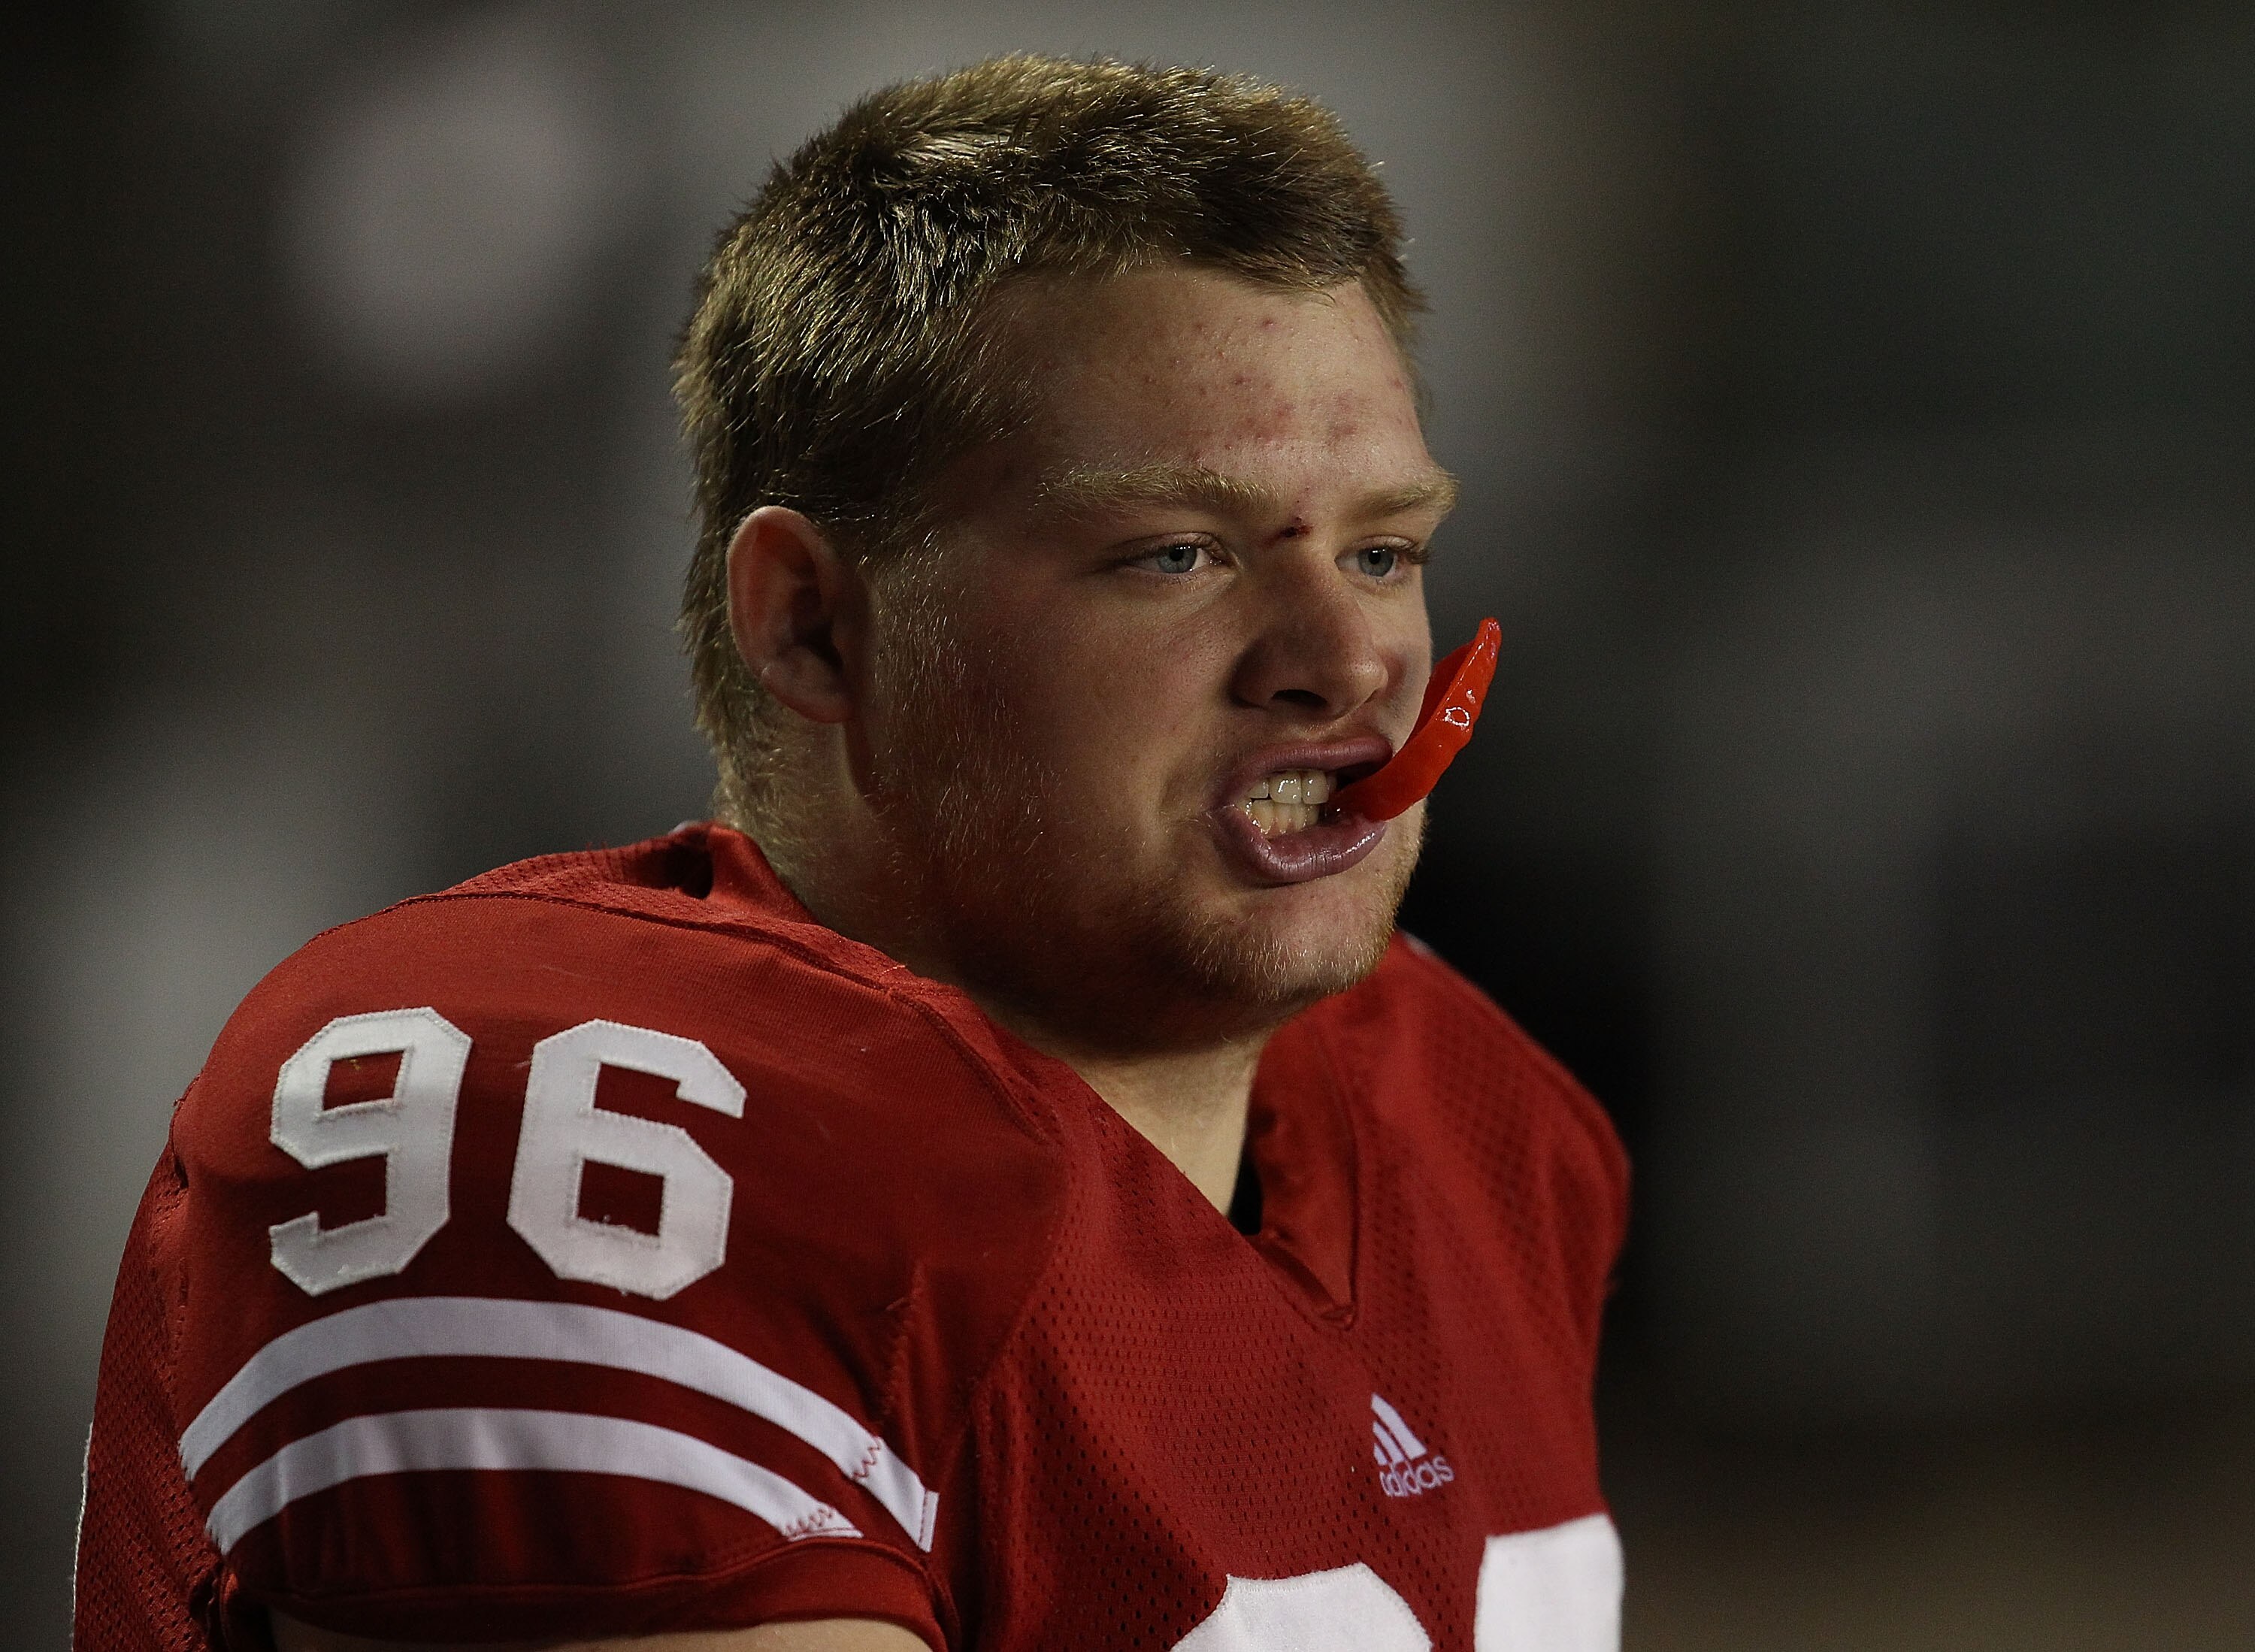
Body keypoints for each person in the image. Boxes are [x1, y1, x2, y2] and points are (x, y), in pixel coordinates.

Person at [75, 54, 1627, 1652]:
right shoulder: (579, 1127)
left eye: (1382, 549)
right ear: (813, 623)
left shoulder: (1471, 1113)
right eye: (1177, 553)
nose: (1345, 656)